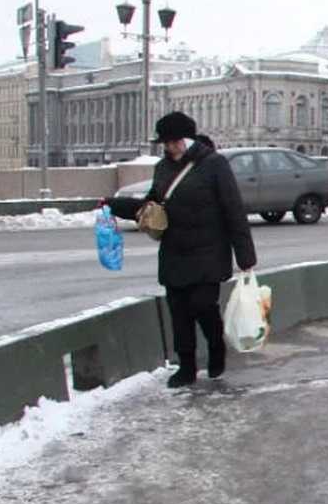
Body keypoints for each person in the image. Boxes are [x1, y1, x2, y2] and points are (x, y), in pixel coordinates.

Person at [102, 111, 257, 388]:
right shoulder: (163, 168)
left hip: (209, 250)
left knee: (202, 305)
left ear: (188, 139)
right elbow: (150, 206)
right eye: (166, 143)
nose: (170, 147)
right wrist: (113, 205)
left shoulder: (215, 165)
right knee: (179, 311)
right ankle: (186, 366)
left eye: (174, 141)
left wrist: (245, 256)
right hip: (174, 251)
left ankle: (215, 347)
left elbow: (234, 210)